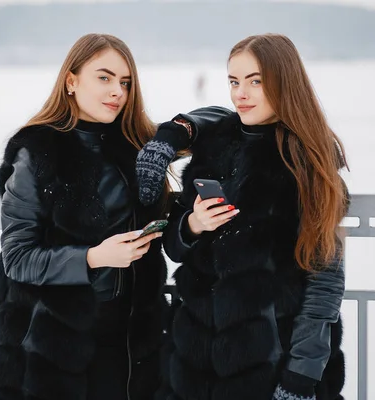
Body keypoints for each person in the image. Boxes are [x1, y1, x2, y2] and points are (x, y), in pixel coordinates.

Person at [0, 33, 223, 400]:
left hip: (132, 345)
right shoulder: (38, 154)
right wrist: (93, 258)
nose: (117, 92)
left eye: (125, 83)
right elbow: (17, 258)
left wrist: (171, 136)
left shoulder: (135, 148)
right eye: (104, 77)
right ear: (72, 81)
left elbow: (225, 120)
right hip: (51, 347)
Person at [137, 33, 348, 400]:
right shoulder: (214, 143)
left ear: (284, 82)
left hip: (270, 361)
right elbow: (176, 249)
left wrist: (300, 378)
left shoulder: (307, 161)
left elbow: (324, 284)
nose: (241, 94)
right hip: (194, 362)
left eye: (255, 81)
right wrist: (192, 225)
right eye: (234, 82)